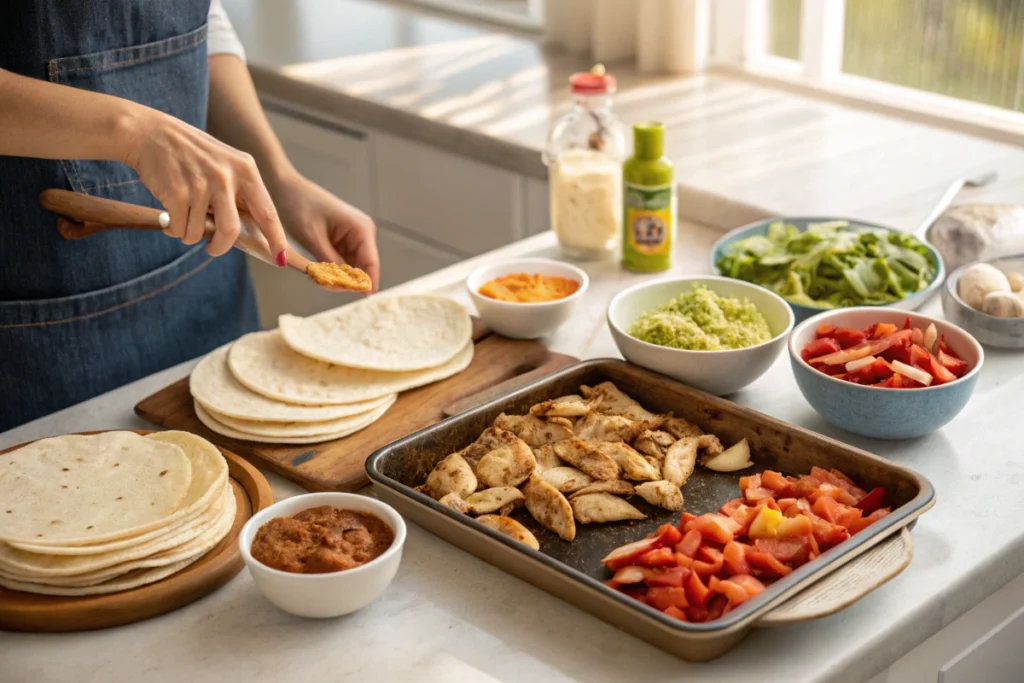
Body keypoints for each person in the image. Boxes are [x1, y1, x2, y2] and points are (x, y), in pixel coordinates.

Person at [0, 1, 380, 432]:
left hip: (203, 288)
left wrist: (280, 180)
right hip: (41, 320)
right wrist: (134, 132)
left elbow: (198, 21)